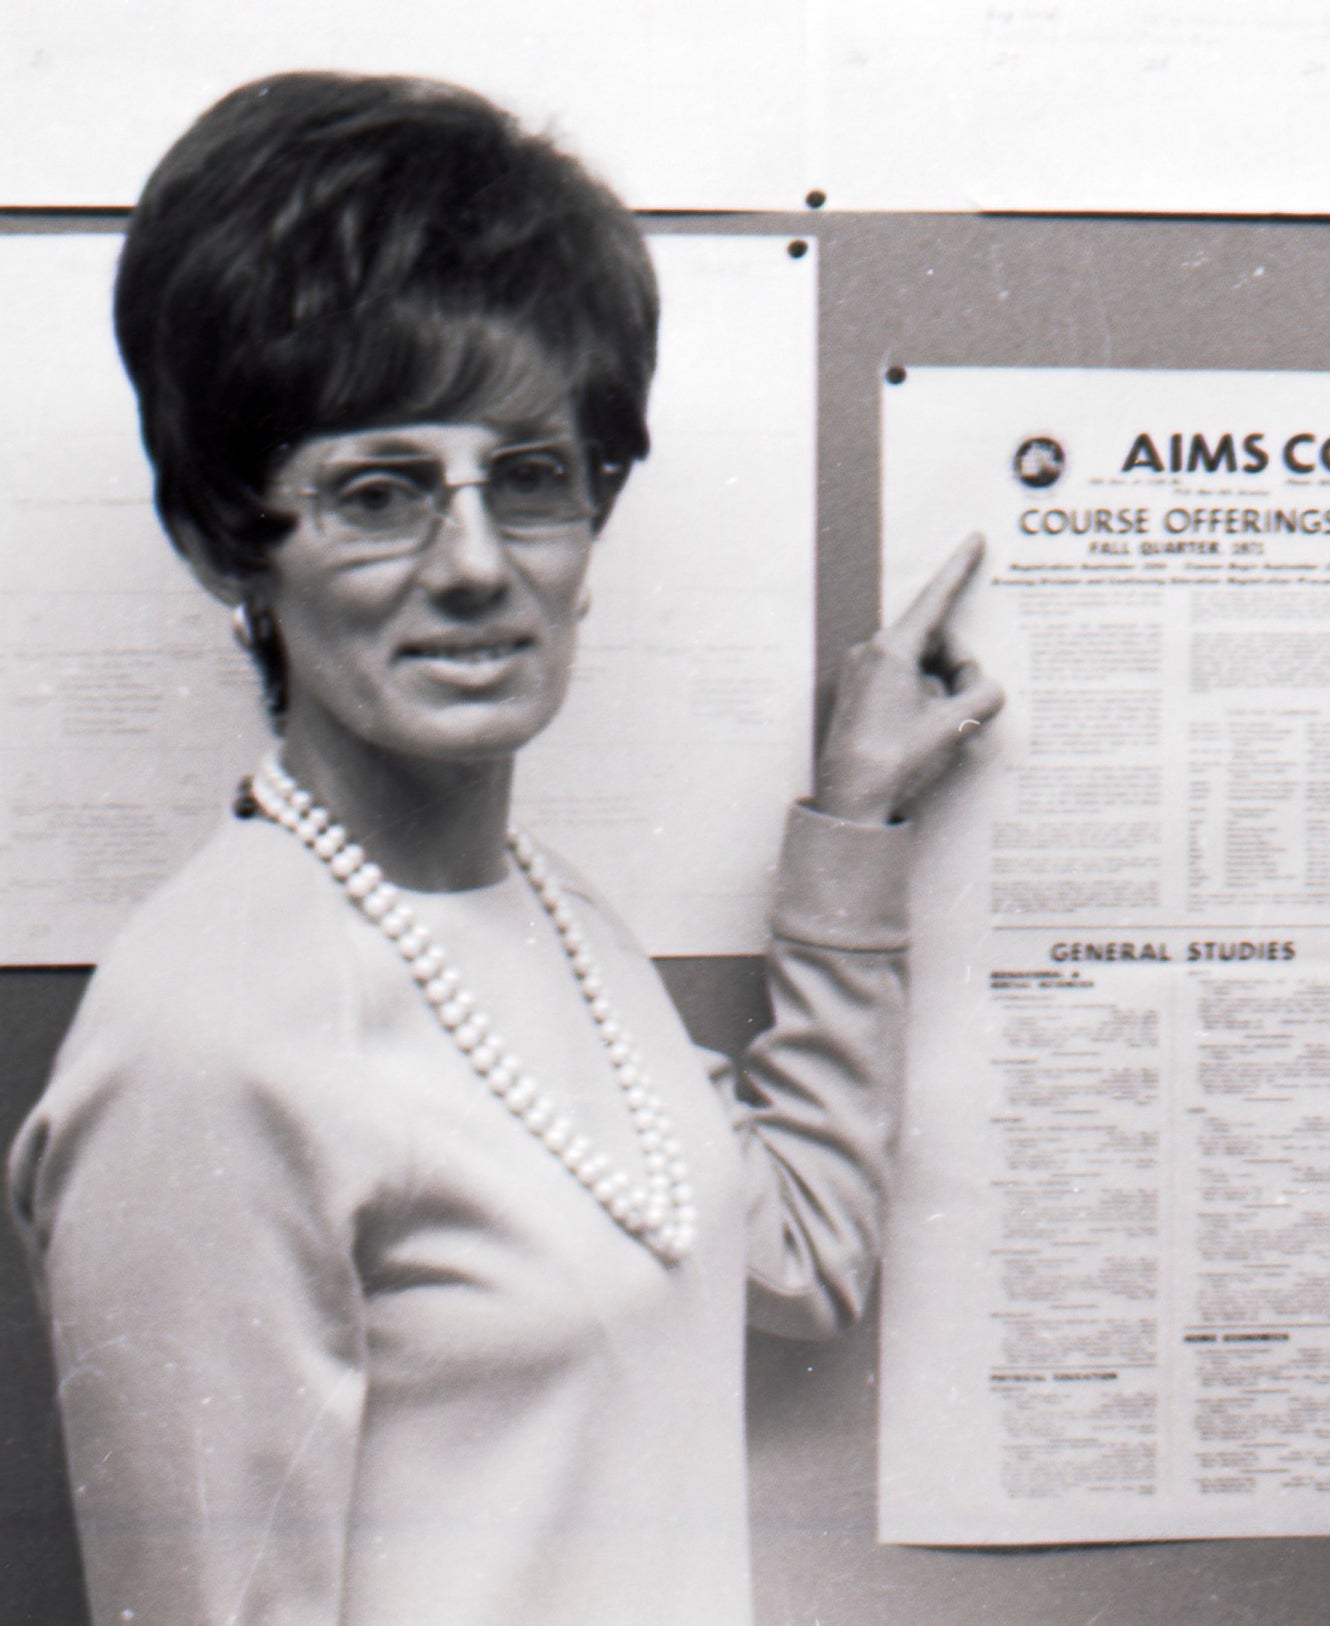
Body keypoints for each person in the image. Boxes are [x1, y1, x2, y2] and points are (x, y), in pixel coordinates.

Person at [6, 74, 1001, 1624]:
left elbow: (791, 1250)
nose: (474, 564)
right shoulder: (204, 1046)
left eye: (530, 477)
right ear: (226, 544)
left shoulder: (551, 918)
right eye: (380, 492)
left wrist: (853, 828)